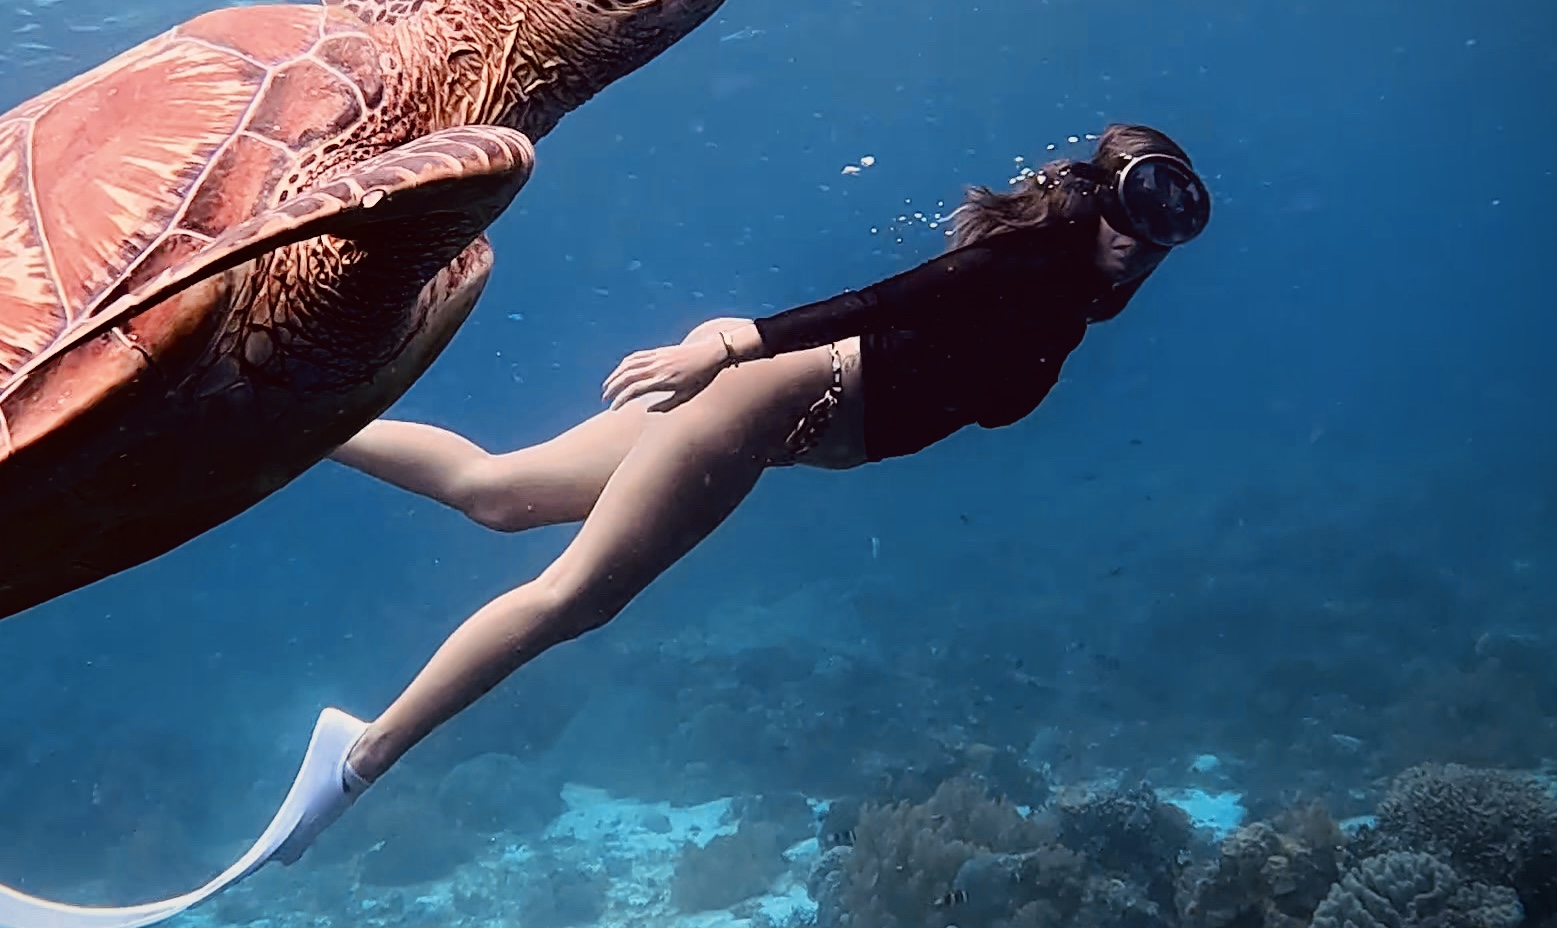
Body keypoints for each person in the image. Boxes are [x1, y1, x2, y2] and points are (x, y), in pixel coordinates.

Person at [257, 122, 1212, 864]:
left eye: (1170, 223)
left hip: (771, 414)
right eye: (1135, 208)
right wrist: (737, 342)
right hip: (761, 399)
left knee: (498, 491)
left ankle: (285, 415)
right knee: (575, 598)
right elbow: (899, 295)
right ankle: (357, 763)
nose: (1145, 238)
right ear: (1095, 197)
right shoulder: (1033, 265)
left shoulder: (1073, 296)